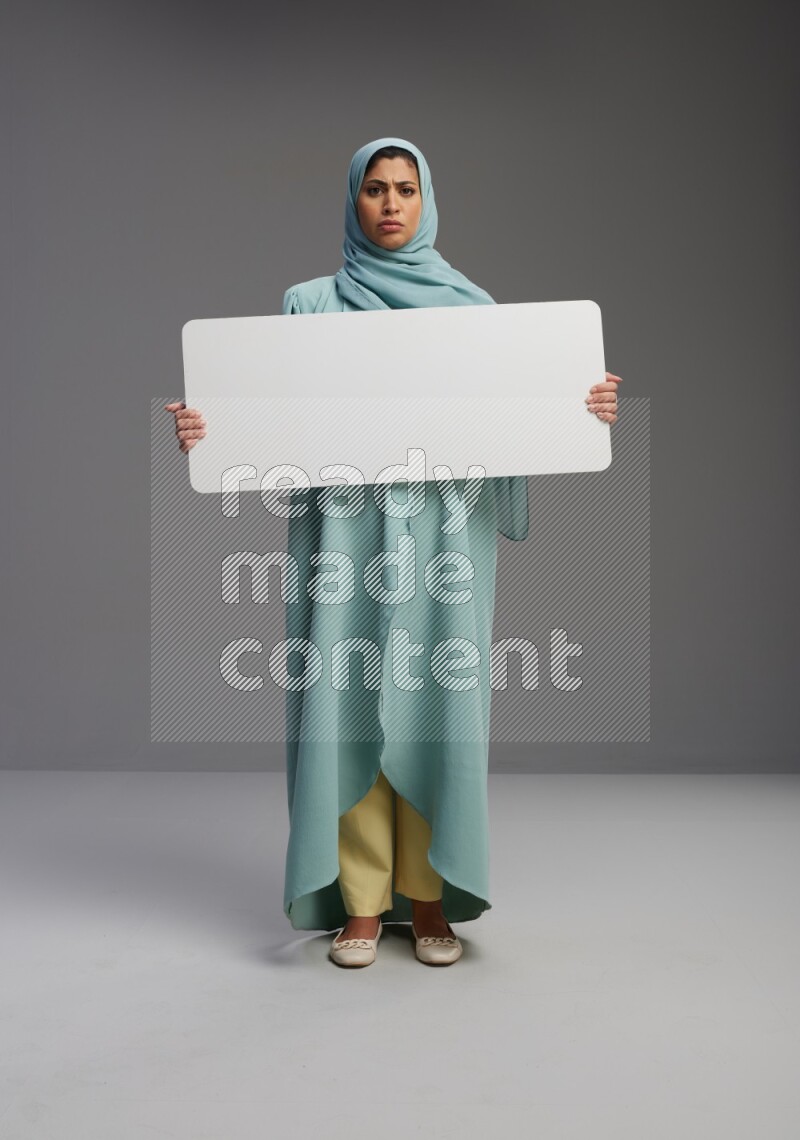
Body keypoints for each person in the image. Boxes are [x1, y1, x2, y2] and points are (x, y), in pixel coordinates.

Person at [165, 136, 621, 969]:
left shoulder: (475, 309)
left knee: (437, 702)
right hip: (344, 533)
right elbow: (271, 421)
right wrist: (210, 430)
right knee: (345, 703)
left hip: (447, 532)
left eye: (405, 189)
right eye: (374, 189)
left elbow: (511, 422)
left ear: (426, 200)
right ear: (354, 200)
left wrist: (577, 408)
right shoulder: (310, 305)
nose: (389, 204)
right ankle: (363, 903)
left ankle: (429, 895)